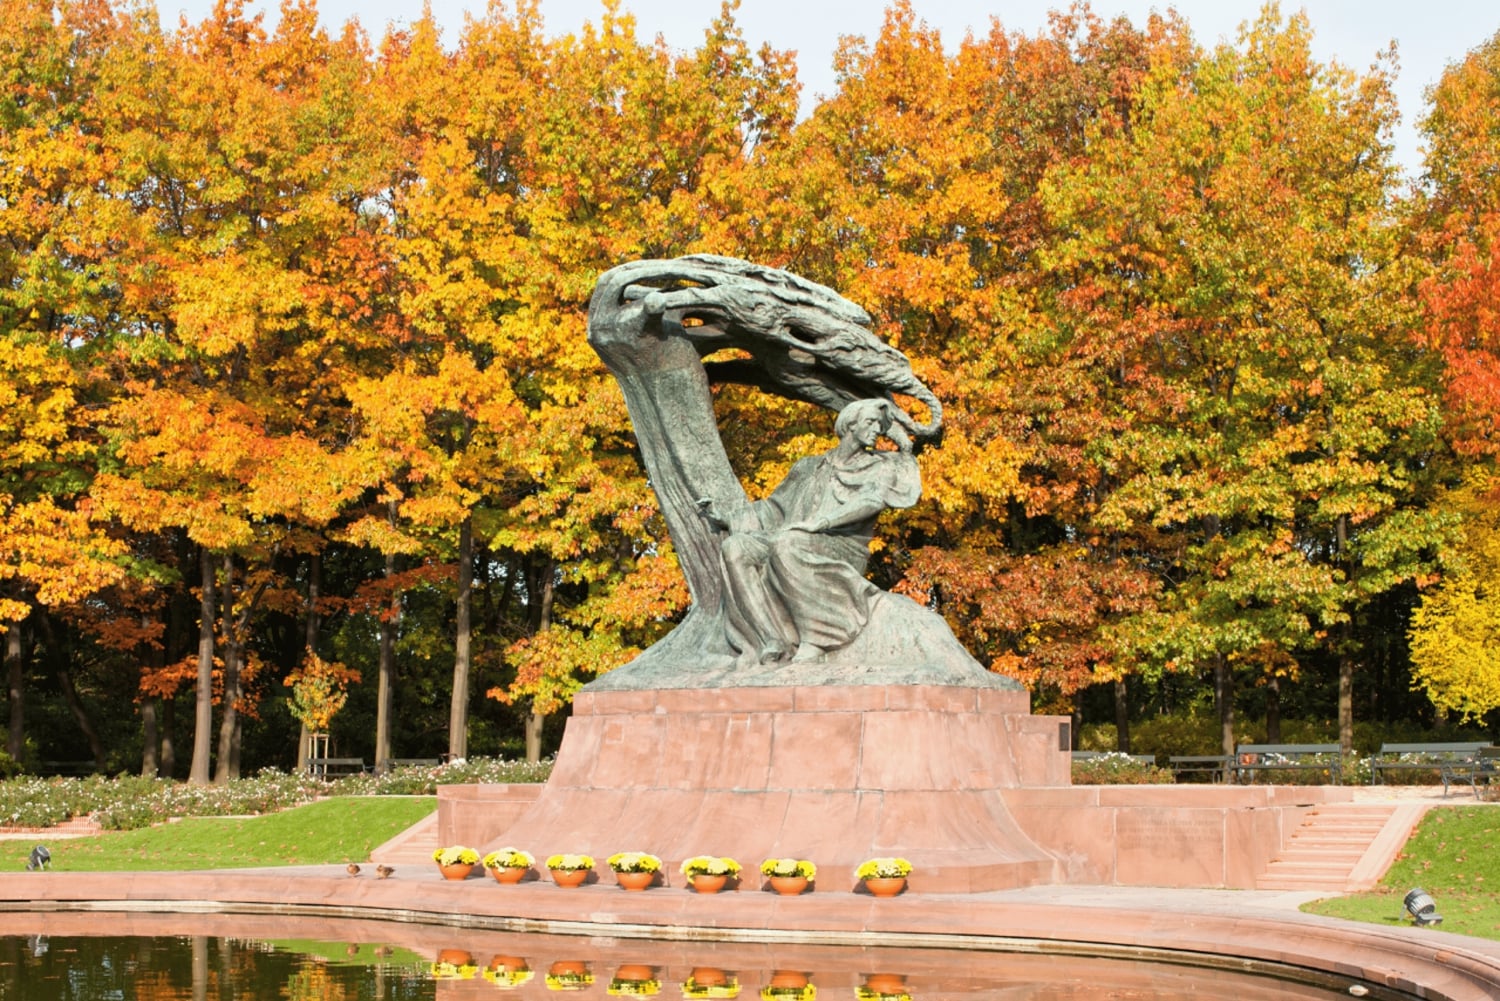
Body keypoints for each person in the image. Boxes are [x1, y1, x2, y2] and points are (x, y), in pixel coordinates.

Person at [698, 398, 920, 665]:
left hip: (840, 545)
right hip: (793, 536)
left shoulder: (879, 467)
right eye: (870, 422)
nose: (876, 430)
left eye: (880, 425)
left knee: (787, 544)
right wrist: (724, 517)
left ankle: (817, 638)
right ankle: (772, 639)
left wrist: (821, 522)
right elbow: (774, 508)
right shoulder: (807, 466)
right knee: (735, 548)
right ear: (850, 424)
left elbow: (871, 501)